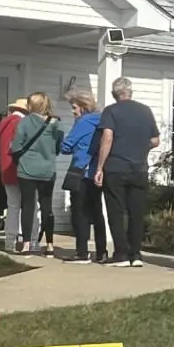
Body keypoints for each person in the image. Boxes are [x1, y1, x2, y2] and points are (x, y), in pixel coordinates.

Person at [93, 78, 160, 266]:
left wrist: (99, 167)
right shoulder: (145, 111)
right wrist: (139, 147)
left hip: (115, 167)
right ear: (130, 92)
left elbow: (107, 138)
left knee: (116, 211)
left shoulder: (111, 111)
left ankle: (121, 253)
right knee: (136, 212)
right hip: (139, 168)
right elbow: (155, 141)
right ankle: (136, 254)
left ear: (115, 94)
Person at [57, 91, 106, 262]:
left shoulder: (83, 122)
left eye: (74, 107)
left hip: (81, 170)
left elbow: (66, 146)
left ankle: (82, 252)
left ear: (83, 107)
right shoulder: (101, 120)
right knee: (97, 212)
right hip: (97, 171)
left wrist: (60, 139)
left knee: (80, 213)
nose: (73, 111)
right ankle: (101, 252)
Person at [11, 92, 62, 255]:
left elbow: (16, 146)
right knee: (47, 207)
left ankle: (26, 244)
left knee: (28, 206)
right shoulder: (56, 124)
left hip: (27, 169)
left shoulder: (25, 122)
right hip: (48, 170)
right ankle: (50, 245)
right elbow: (58, 148)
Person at [0, 99, 26, 252]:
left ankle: (9, 241)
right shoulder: (20, 123)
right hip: (18, 168)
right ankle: (22, 239)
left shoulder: (3, 123)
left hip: (5, 168)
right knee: (26, 206)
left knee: (12, 205)